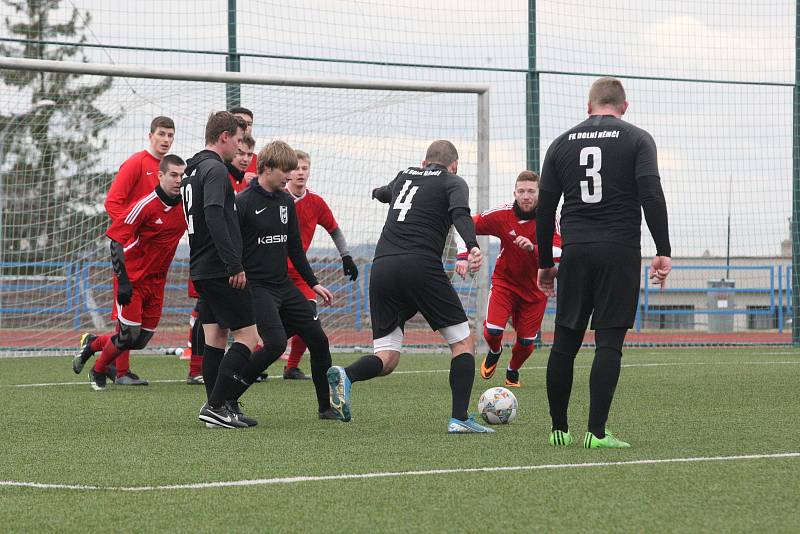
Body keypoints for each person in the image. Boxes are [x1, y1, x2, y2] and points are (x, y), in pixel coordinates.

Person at [536, 77, 672, 449]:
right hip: (619, 250)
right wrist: (663, 248)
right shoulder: (637, 138)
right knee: (609, 342)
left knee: (565, 341)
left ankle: (558, 430)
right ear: (624, 107)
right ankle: (596, 432)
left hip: (576, 251)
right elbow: (651, 194)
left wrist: (546, 262)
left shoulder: (561, 142)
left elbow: (545, 209)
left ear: (588, 106)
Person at [326, 140, 494, 433]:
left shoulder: (405, 175)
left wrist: (377, 192)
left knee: (388, 357)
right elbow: (460, 214)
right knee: (462, 342)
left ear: (424, 161)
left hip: (382, 268)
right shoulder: (453, 181)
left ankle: (347, 375)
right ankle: (459, 418)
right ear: (454, 164)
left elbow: (383, 193)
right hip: (420, 266)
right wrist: (472, 245)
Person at [229, 140, 337, 419]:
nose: (289, 176)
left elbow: (294, 248)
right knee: (275, 344)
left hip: (284, 286)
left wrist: (313, 282)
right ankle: (227, 399)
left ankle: (326, 408)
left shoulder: (286, 201)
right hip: (257, 287)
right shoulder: (242, 203)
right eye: (284, 171)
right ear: (266, 168)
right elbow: (230, 246)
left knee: (319, 339)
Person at [73, 116, 176, 385]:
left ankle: (97, 347)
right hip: (130, 250)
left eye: (170, 135)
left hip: (154, 257)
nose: (166, 139)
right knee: (128, 326)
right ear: (150, 135)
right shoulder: (136, 163)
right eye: (161, 134)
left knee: (135, 331)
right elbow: (113, 202)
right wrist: (131, 234)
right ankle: (119, 371)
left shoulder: (171, 171)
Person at [182, 111, 259, 429]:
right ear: (225, 136)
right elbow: (213, 214)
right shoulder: (214, 169)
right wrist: (233, 263)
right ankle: (216, 405)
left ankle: (219, 405)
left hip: (201, 265)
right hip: (218, 266)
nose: (240, 149)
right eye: (238, 141)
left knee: (215, 336)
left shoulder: (193, 169)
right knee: (249, 336)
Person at [454, 170, 561, 388]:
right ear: (515, 192)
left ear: (540, 194)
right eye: (521, 191)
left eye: (531, 191)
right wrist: (463, 255)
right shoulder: (502, 215)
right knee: (492, 332)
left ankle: (513, 370)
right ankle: (495, 351)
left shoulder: (550, 217)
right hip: (505, 283)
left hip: (536, 290)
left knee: (526, 343)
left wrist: (533, 248)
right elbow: (463, 223)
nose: (526, 196)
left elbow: (560, 252)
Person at [283, 150, 358, 380]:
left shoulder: (316, 202)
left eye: (304, 168)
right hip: (271, 273)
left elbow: (334, 229)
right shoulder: (276, 198)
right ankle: (253, 361)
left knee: (309, 317)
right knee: (266, 324)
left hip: (300, 274)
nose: (300, 173)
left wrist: (346, 256)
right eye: (295, 168)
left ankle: (292, 367)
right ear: (287, 171)